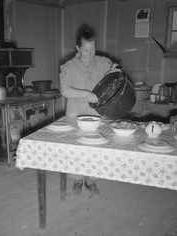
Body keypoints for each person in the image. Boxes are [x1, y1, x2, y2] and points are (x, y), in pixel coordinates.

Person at [59, 25, 120, 196]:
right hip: (76, 115)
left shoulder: (102, 62)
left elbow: (111, 77)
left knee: (96, 150)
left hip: (97, 117)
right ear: (78, 48)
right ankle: (78, 180)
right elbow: (65, 90)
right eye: (86, 51)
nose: (90, 55)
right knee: (77, 150)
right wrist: (87, 94)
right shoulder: (69, 67)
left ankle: (91, 180)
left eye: (92, 50)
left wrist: (114, 72)